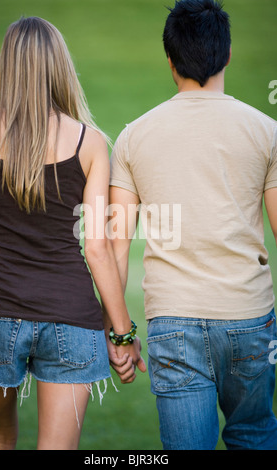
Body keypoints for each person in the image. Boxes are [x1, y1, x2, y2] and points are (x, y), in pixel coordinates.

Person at [108, 0, 277, 450]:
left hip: (173, 324)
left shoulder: (133, 137)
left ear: (170, 60)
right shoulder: (266, 130)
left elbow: (115, 247)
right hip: (250, 319)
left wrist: (121, 335)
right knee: (255, 435)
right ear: (227, 54)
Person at [0, 16, 144, 450]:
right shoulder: (90, 143)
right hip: (71, 319)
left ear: (7, 65)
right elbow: (97, 247)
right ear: (60, 67)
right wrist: (123, 335)